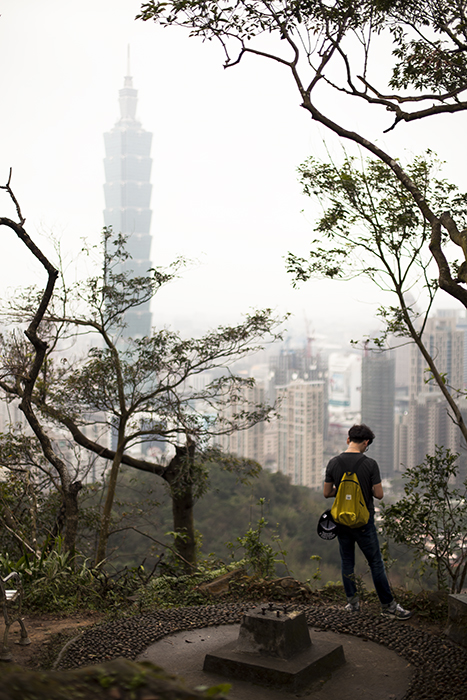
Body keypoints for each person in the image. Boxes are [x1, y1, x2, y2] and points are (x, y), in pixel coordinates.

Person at [324, 424, 412, 620]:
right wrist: (364, 490)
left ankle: (352, 604)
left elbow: (326, 492)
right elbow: (379, 494)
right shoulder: (370, 464)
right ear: (366, 443)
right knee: (375, 563)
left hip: (342, 521)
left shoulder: (333, 463)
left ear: (348, 440)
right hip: (364, 522)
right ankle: (388, 606)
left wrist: (343, 491)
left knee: (347, 561)